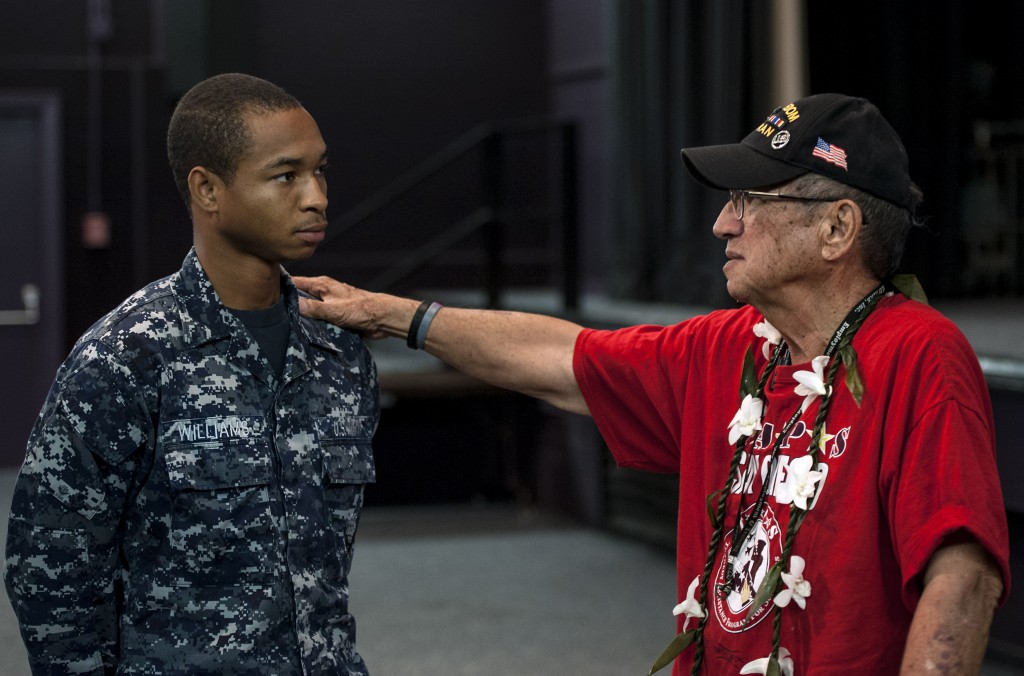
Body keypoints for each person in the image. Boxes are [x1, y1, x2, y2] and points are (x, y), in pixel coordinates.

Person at [293, 93, 1010, 675]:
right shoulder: (728, 347)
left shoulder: (919, 354)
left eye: (751, 200)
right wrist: (389, 315)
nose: (721, 223)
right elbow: (562, 357)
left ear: (836, 228)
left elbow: (962, 576)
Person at [4, 73, 379, 675]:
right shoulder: (127, 357)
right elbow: (51, 567)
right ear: (208, 189)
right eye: (286, 176)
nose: (317, 197)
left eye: (320, 171)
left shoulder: (338, 352)